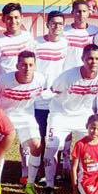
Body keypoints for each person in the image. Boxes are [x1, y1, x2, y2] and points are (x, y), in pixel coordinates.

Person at [43, 44, 98, 194]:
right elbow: (53, 91)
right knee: (52, 147)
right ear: (83, 59)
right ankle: (49, 185)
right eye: (90, 58)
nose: (93, 62)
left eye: (97, 59)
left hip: (83, 115)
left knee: (89, 149)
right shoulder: (67, 77)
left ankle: (84, 182)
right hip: (61, 113)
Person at [0, 51, 45, 194]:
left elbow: (44, 94)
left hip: (26, 116)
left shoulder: (40, 79)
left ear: (35, 66)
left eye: (31, 65)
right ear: (17, 66)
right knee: (1, 149)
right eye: (23, 65)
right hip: (4, 116)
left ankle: (30, 185)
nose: (27, 68)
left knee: (36, 145)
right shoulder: (4, 80)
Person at [33, 10, 69, 151]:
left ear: (63, 26)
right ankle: (38, 168)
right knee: (39, 135)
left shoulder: (66, 44)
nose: (56, 27)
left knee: (56, 136)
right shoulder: (36, 43)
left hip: (58, 97)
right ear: (47, 24)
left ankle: (57, 170)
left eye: (60, 24)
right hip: (40, 97)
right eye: (53, 23)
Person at [0, 2, 35, 79]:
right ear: (3, 19)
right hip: (6, 87)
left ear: (21, 18)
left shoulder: (28, 37)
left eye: (16, 17)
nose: (13, 21)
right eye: (9, 18)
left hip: (26, 86)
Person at [64, 0, 98, 70]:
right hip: (69, 70)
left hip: (87, 71)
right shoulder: (64, 31)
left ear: (88, 13)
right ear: (72, 12)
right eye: (78, 11)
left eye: (84, 11)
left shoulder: (95, 31)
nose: (81, 14)